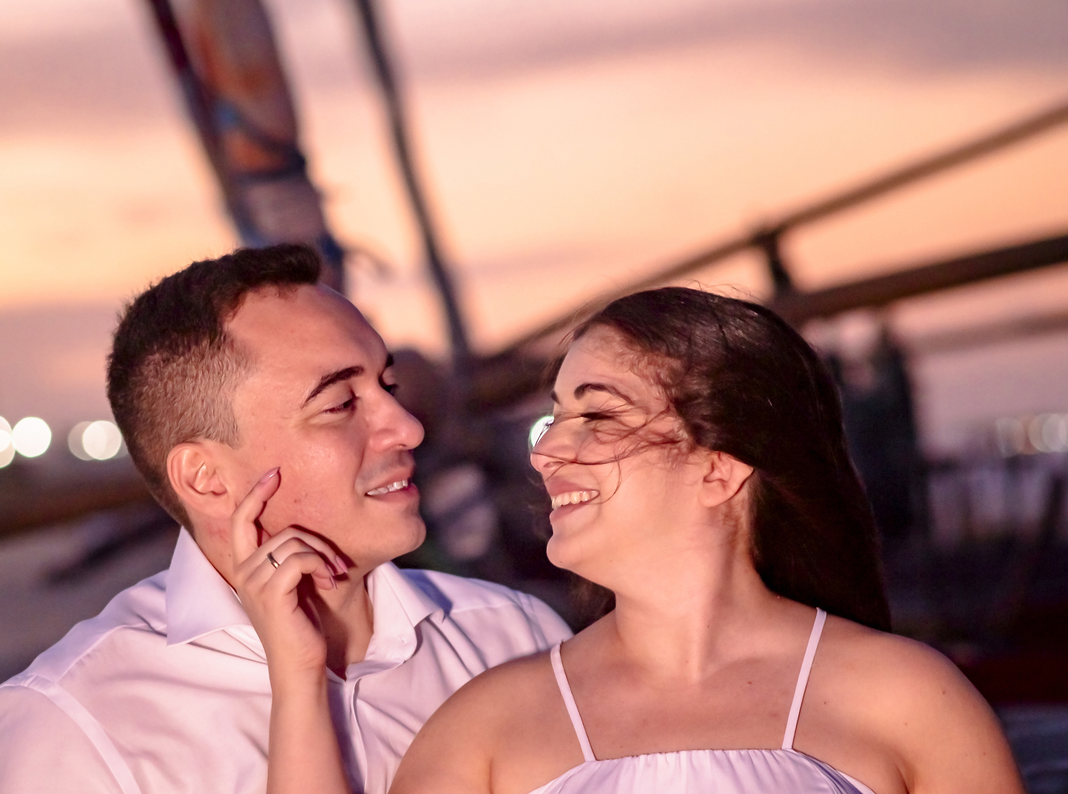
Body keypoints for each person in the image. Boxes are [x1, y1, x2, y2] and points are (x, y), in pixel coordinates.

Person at [0, 245, 571, 794]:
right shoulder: (76, 720)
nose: (408, 427)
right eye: (340, 405)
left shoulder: (512, 638)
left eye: (388, 385)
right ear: (206, 478)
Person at [387, 287, 1024, 794]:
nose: (547, 450)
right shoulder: (484, 728)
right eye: (553, 418)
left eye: (598, 416)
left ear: (720, 468)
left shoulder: (908, 700)